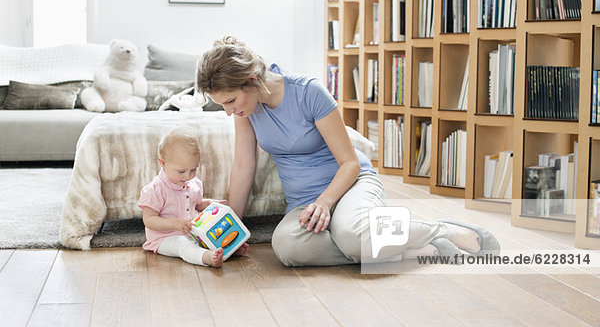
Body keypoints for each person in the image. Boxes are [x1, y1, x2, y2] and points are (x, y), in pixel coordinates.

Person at [196, 36, 499, 267]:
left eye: (230, 101)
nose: (227, 111)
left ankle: (437, 230)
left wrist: (326, 203)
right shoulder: (247, 111)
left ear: (251, 80)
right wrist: (232, 226)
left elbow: (350, 162)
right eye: (222, 104)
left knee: (352, 236)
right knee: (288, 247)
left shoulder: (309, 92)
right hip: (305, 203)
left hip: (350, 184)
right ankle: (410, 252)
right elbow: (243, 164)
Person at [138, 126, 249, 268]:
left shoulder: (193, 183)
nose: (188, 176)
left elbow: (196, 205)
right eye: (181, 171)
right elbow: (149, 220)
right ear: (163, 163)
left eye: (193, 170)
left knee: (212, 233)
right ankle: (206, 258)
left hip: (193, 232)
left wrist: (210, 204)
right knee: (182, 244)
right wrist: (174, 224)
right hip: (165, 238)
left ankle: (229, 249)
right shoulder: (156, 189)